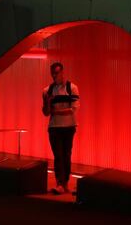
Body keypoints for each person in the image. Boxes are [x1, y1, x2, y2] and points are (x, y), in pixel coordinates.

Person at [42, 61, 79, 195]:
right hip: (54, 127)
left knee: (66, 155)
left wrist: (55, 111)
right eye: (52, 73)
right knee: (58, 155)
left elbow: (73, 109)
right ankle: (60, 183)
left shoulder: (72, 87)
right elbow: (46, 112)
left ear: (62, 72)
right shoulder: (47, 90)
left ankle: (65, 182)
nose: (54, 75)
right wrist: (48, 102)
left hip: (68, 126)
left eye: (57, 72)